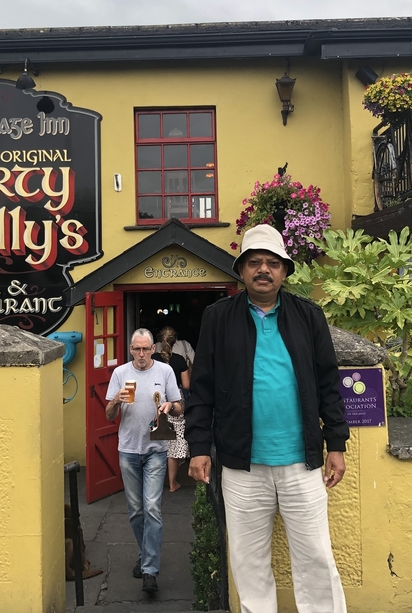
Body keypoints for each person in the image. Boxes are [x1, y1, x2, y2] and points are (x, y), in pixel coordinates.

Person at [186, 224, 349, 613]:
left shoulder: (308, 316)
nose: (263, 270)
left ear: (284, 271)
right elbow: (202, 387)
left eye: (273, 263)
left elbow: (328, 384)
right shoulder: (218, 318)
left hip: (302, 462)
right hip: (242, 465)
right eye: (255, 262)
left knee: (316, 558)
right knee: (249, 563)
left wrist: (336, 444)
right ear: (241, 270)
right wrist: (198, 447)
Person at [105, 328, 183, 595]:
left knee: (151, 508)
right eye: (136, 349)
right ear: (130, 349)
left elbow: (179, 405)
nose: (141, 354)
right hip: (128, 449)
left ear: (153, 349)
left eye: (145, 349)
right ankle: (145, 553)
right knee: (136, 511)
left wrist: (169, 407)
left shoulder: (165, 371)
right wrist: (116, 401)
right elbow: (108, 415)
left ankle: (150, 570)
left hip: (156, 449)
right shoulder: (120, 373)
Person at [153, 327, 191, 492]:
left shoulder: (153, 358)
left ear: (159, 341)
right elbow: (186, 385)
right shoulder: (180, 360)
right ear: (175, 342)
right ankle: (173, 483)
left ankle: (154, 482)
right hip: (175, 402)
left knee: (156, 440)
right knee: (174, 445)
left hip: (156, 400)